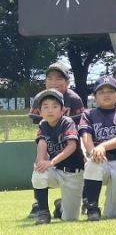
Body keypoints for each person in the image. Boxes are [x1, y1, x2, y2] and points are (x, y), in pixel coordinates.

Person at [28, 62, 85, 219]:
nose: (50, 110)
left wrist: (50, 162)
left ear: (63, 109)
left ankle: (61, 207)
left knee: (71, 218)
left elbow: (73, 144)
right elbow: (42, 141)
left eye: (54, 106)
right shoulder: (43, 121)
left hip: (73, 170)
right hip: (55, 168)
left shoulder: (68, 118)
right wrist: (41, 162)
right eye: (45, 107)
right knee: (38, 170)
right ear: (40, 111)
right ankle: (42, 211)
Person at [79, 76, 116, 221]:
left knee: (114, 214)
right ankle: (92, 207)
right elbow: (85, 135)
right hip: (99, 159)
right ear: (95, 96)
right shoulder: (88, 114)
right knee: (91, 165)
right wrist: (93, 151)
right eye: (101, 92)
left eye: (110, 91)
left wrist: (101, 146)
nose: (106, 94)